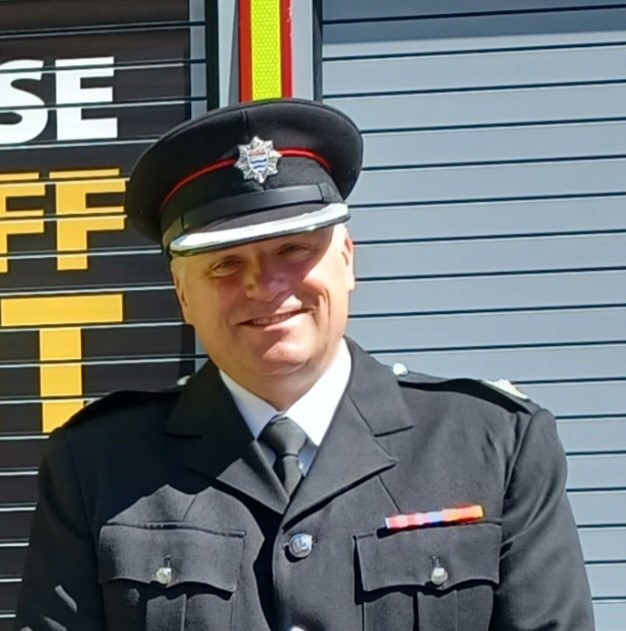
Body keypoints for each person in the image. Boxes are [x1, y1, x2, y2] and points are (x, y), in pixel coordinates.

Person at [15, 98, 594, 630]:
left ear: (346, 260)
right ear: (182, 293)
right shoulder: (97, 468)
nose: (265, 287)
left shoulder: (493, 447)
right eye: (223, 265)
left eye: (293, 250)